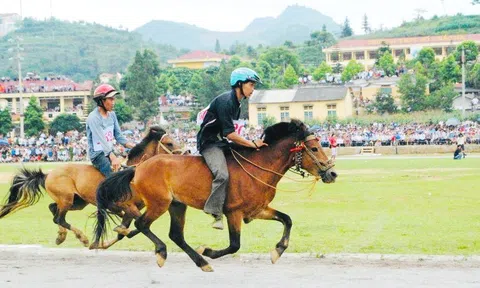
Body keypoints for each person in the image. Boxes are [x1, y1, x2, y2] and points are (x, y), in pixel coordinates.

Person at [197, 67, 268, 230]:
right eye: (251, 84)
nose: (253, 88)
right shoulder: (226, 102)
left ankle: (247, 208)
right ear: (239, 84)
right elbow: (229, 134)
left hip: (222, 143)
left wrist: (252, 146)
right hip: (209, 143)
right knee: (222, 174)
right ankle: (215, 212)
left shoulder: (237, 103)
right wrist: (251, 144)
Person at [86, 84, 135, 177]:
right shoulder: (93, 118)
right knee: (114, 177)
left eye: (114, 99)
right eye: (111, 99)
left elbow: (118, 136)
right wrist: (113, 158)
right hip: (98, 155)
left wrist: (133, 146)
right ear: (101, 100)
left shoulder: (112, 115)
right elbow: (102, 141)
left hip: (110, 151)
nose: (113, 102)